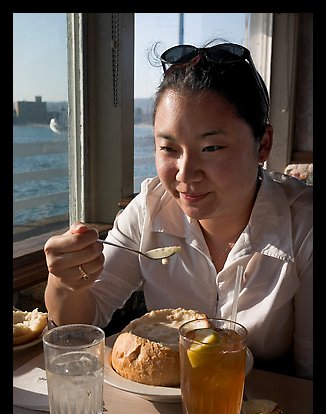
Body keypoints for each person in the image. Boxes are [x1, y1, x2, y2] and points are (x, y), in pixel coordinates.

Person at [44, 41, 313, 380]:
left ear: (263, 144)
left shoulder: (303, 225)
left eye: (211, 147)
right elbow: (80, 326)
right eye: (169, 148)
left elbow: (308, 376)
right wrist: (65, 279)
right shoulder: (150, 209)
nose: (185, 175)